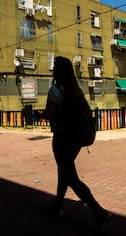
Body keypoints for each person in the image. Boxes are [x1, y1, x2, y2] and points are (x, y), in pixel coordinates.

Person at [43, 56, 112, 231]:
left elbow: (50, 113)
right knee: (64, 171)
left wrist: (38, 115)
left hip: (62, 137)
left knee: (70, 177)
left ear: (58, 71)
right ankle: (58, 205)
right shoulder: (76, 90)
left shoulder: (56, 90)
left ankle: (100, 212)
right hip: (76, 138)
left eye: (55, 67)